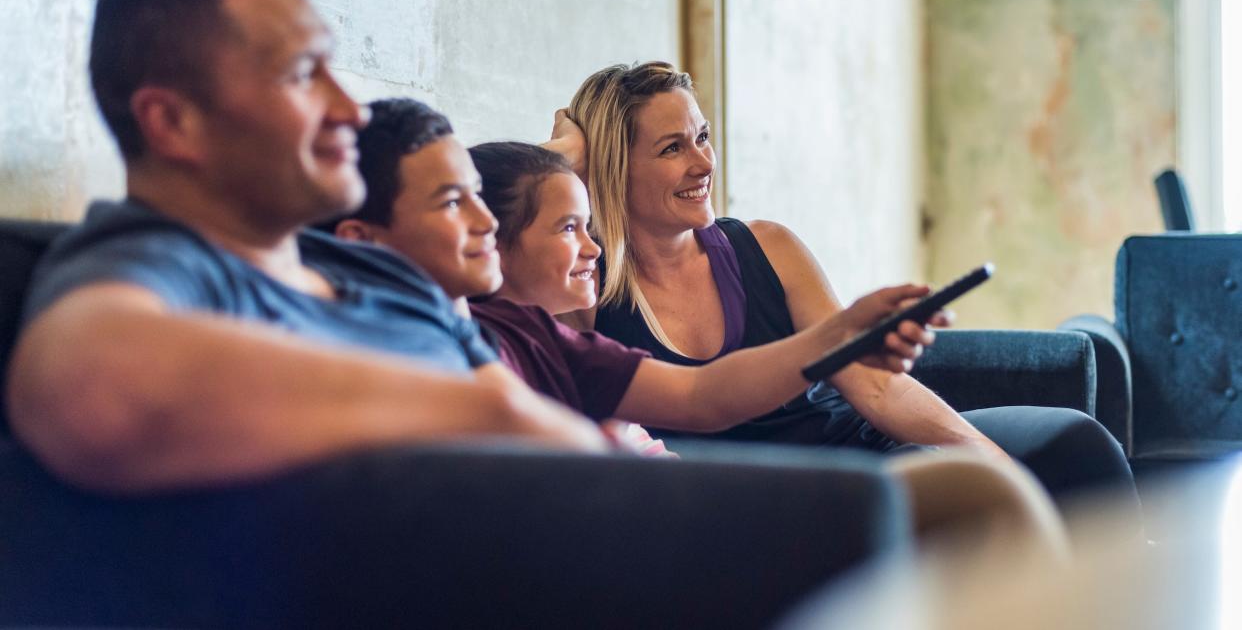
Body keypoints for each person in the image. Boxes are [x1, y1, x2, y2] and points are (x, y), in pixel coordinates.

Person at [5, 0, 614, 494]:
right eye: (302, 74)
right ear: (172, 124)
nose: (351, 109)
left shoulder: (390, 274)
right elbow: (92, 386)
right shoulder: (158, 263)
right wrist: (489, 416)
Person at [330, 98, 1070, 555]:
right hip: (628, 537)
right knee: (975, 501)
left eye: (479, 201)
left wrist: (839, 333)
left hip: (668, 512)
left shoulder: (546, 338)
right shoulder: (399, 340)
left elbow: (703, 393)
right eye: (454, 204)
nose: (484, 222)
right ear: (364, 243)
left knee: (1004, 478)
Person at [555, 61, 1140, 512]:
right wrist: (560, 159)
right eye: (672, 148)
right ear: (613, 167)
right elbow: (504, 280)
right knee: (948, 499)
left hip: (863, 448)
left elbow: (876, 389)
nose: (703, 163)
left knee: (1077, 446)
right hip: (774, 497)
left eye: (702, 137)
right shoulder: (584, 285)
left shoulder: (767, 247)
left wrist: (984, 453)